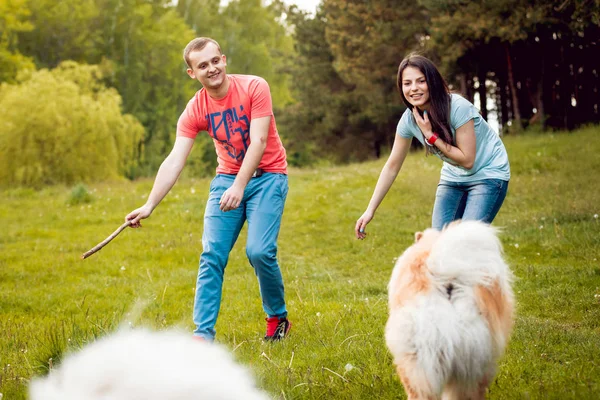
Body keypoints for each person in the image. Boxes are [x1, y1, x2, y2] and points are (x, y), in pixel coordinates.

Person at [125, 37, 291, 342]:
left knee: (259, 251)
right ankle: (202, 337)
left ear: (224, 59)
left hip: (268, 177)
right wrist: (149, 204)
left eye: (215, 61)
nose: (211, 68)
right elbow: (175, 159)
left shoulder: (255, 87)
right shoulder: (195, 109)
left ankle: (277, 317)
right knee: (212, 253)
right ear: (192, 73)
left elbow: (259, 141)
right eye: (203, 65)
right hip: (227, 179)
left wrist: (241, 186)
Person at [355, 54, 510, 238]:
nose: (414, 88)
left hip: (488, 174)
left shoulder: (458, 107)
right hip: (453, 178)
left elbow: (468, 160)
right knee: (438, 244)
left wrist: (430, 135)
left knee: (467, 241)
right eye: (407, 83)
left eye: (421, 81)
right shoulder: (409, 120)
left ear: (432, 82)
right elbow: (392, 166)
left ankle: (486, 267)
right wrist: (370, 210)